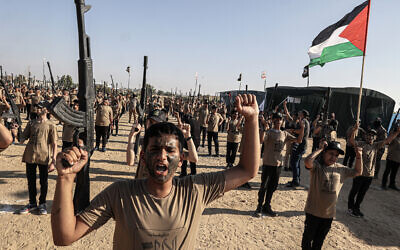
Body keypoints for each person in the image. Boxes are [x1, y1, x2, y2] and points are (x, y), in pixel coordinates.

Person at [51, 94, 260, 248]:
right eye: (154, 149)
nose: (162, 156)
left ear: (181, 160)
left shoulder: (195, 190)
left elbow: (247, 170)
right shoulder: (120, 194)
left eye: (170, 150)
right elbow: (64, 236)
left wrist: (252, 120)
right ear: (143, 156)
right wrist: (66, 179)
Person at [301, 140, 362, 250]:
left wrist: (359, 156)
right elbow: (307, 161)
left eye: (336, 155)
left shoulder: (341, 169)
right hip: (313, 213)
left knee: (318, 243)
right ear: (324, 153)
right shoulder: (317, 167)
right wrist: (320, 149)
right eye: (331, 153)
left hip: (328, 216)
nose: (333, 157)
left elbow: (358, 172)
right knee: (306, 242)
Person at [254, 112, 304, 217]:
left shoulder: (284, 134)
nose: (278, 121)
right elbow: (261, 140)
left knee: (273, 186)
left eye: (280, 119)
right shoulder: (269, 132)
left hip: (278, 165)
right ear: (273, 121)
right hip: (268, 163)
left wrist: (302, 129)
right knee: (264, 186)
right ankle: (259, 207)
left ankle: (267, 206)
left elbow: (299, 140)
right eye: (276, 119)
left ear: (282, 121)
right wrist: (263, 127)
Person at [347, 125, 400, 217]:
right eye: (368, 135)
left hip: (369, 175)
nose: (370, 137)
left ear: (375, 138)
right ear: (365, 136)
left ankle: (357, 208)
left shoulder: (376, 145)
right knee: (354, 191)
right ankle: (350, 208)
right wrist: (354, 131)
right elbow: (351, 141)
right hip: (359, 173)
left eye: (372, 135)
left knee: (362, 193)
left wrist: (397, 132)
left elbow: (387, 140)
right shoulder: (360, 144)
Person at [17, 102, 58, 215]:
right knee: (31, 181)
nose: (38, 109)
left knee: (43, 182)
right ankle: (32, 203)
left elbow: (54, 144)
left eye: (40, 107)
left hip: (43, 156)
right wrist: (16, 131)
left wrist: (53, 161)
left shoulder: (51, 125)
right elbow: (21, 139)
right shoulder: (32, 123)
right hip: (30, 155)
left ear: (47, 110)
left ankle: (42, 203)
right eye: (37, 107)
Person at [283, 101, 310, 187]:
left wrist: (292, 131)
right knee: (296, 162)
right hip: (301, 143)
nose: (298, 113)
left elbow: (301, 131)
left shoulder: (303, 121)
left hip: (301, 144)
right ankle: (296, 180)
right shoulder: (304, 121)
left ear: (303, 115)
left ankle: (295, 181)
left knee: (294, 162)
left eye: (300, 112)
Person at [381, 122, 400, 191]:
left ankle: (392, 184)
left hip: (398, 159)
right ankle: (383, 184)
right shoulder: (393, 135)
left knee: (394, 172)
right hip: (391, 157)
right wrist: (397, 132)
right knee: (387, 171)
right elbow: (388, 142)